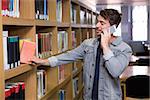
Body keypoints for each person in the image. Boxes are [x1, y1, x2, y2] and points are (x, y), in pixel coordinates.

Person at [29, 8, 132, 100]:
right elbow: (68, 56)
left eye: (102, 23)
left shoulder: (124, 49)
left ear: (113, 27)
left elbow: (115, 71)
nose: (97, 26)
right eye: (97, 22)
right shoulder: (88, 44)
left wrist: (105, 46)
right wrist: (43, 61)